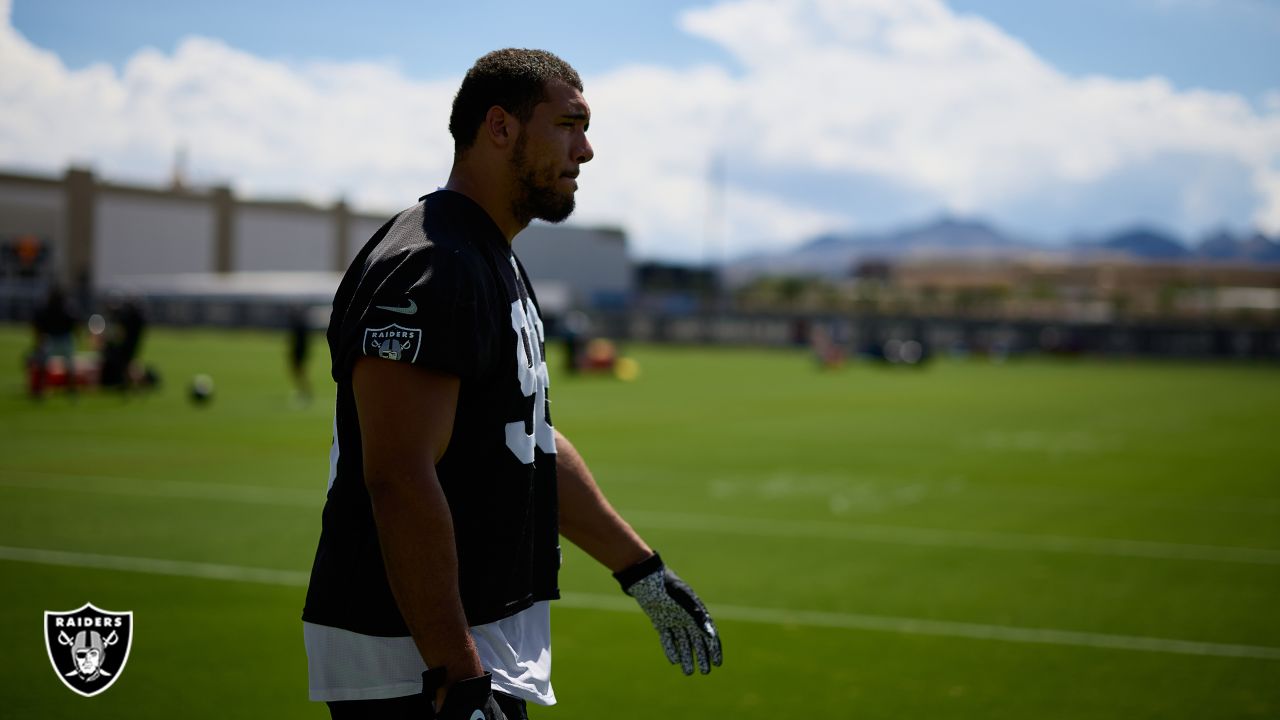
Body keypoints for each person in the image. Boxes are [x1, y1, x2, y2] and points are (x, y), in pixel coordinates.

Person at [302, 49, 722, 720]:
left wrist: (640, 569)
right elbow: (400, 475)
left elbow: (526, 442)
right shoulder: (432, 263)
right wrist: (456, 671)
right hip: (413, 661)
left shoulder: (486, 252)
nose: (585, 151)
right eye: (568, 124)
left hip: (466, 647)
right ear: (500, 128)